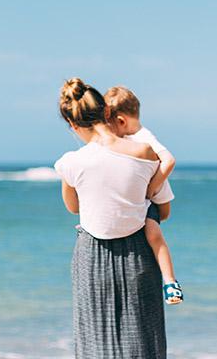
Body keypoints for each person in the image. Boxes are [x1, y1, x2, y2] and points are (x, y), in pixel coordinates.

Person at [54, 77, 171, 358]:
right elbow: (164, 211)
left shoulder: (71, 162)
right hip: (138, 251)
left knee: (95, 339)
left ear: (72, 124)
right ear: (107, 112)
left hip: (91, 256)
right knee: (143, 337)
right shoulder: (145, 153)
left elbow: (74, 208)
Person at [104, 86, 183, 304]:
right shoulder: (130, 138)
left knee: (153, 234)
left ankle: (170, 282)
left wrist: (152, 188)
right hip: (141, 196)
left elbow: (169, 160)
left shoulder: (143, 137)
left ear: (120, 121)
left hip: (150, 198)